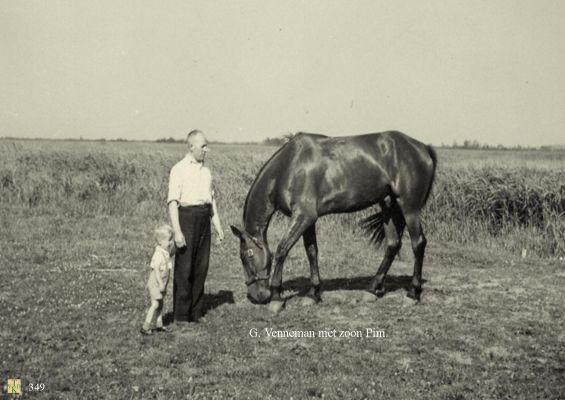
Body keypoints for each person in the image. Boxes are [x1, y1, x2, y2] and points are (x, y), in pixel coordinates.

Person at [168, 130, 224, 325]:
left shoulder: (206, 171)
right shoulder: (179, 169)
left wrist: (217, 226)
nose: (206, 150)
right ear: (191, 146)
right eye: (203, 146)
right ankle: (181, 316)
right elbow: (173, 202)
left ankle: (196, 312)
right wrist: (177, 231)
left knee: (201, 266)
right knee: (184, 268)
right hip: (186, 218)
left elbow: (212, 201)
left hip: (203, 219)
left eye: (206, 146)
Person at [141, 224, 175, 335]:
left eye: (171, 240)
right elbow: (155, 270)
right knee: (155, 304)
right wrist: (160, 283)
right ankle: (145, 327)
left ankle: (159, 324)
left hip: (162, 282)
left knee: (160, 304)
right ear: (160, 242)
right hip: (156, 282)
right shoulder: (158, 254)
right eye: (168, 240)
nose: (170, 243)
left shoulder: (165, 253)